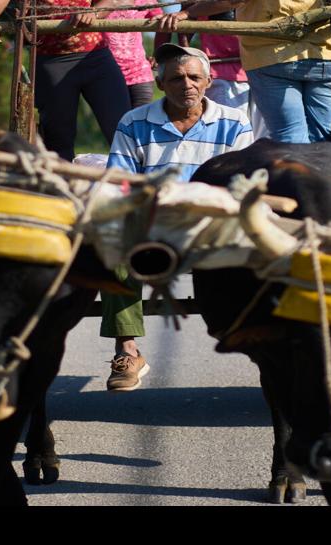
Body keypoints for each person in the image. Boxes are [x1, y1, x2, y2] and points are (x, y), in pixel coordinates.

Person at [98, 43, 256, 391]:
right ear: (160, 84)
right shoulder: (134, 122)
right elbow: (119, 184)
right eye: (176, 78)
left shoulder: (234, 122)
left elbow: (240, 185)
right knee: (115, 241)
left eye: (194, 77)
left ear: (209, 81)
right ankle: (127, 350)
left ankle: (268, 345)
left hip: (212, 224)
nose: (186, 84)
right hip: (153, 225)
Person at [0, 0, 152, 160]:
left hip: (97, 58)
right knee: (58, 141)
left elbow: (109, 2)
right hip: (52, 65)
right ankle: (61, 190)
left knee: (123, 129)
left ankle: (141, 184)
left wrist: (93, 12)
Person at [158, 0, 331, 144]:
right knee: (321, 134)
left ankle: (299, 190)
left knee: (289, 135)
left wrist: (188, 12)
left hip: (272, 58)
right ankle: (317, 187)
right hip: (325, 56)